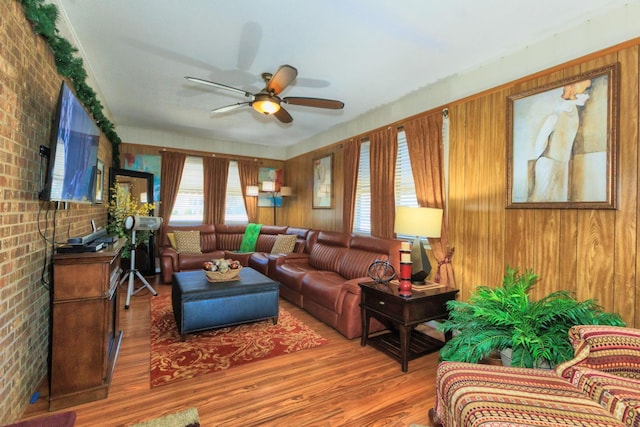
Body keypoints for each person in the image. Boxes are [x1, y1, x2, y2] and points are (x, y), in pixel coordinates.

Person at [528, 79, 591, 202]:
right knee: (542, 202)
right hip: (549, 164)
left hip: (561, 165)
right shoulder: (556, 115)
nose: (586, 95)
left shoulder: (571, 114)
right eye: (584, 91)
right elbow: (538, 148)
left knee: (557, 203)